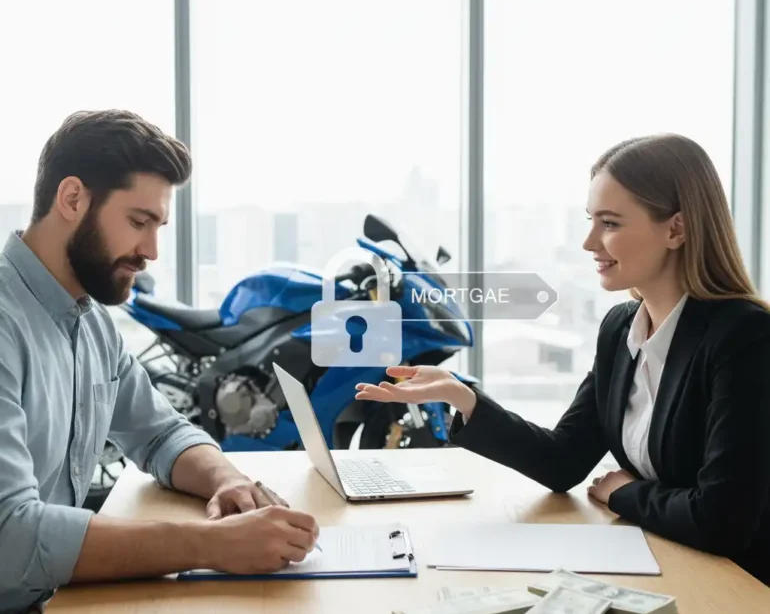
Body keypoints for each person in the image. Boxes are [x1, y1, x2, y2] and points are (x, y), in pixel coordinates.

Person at [355, 134, 770, 588]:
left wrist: (625, 494)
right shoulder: (621, 328)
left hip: (738, 584)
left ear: (676, 229)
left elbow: (722, 519)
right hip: (668, 561)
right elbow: (563, 460)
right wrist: (462, 396)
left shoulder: (744, 337)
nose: (589, 242)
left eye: (610, 223)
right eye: (592, 221)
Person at [0, 110, 319, 614]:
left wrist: (227, 480)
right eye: (137, 222)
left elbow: (160, 433)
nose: (150, 250)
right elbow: (10, 539)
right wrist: (213, 544)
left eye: (158, 226)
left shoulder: (91, 322)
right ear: (73, 199)